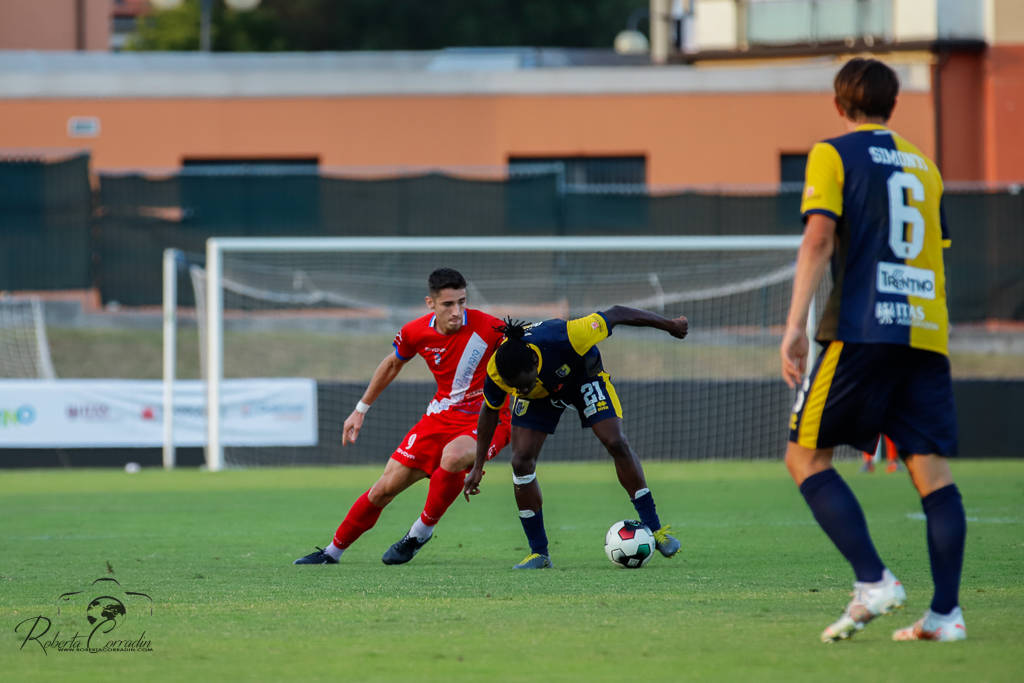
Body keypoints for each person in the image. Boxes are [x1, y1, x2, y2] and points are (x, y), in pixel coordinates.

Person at [781, 57, 966, 642]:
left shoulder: (832, 153)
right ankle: (945, 616)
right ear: (894, 105)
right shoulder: (926, 167)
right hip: (925, 328)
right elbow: (935, 251)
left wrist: (791, 328)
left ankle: (874, 581)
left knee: (805, 457)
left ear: (839, 104)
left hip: (863, 327)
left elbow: (818, 237)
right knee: (930, 473)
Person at [294, 268, 510, 566]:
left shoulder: (491, 328)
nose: (457, 311)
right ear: (430, 303)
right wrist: (360, 410)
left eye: (462, 302)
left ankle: (419, 533)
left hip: (489, 418)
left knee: (452, 456)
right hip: (440, 416)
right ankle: (332, 552)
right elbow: (392, 365)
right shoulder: (415, 332)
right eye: (448, 304)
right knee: (384, 488)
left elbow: (529, 350)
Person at [463, 306, 688, 569]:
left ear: (535, 363)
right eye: (515, 388)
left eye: (525, 383)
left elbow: (616, 313)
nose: (520, 390)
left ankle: (657, 531)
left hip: (582, 377)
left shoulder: (564, 336)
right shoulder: (497, 371)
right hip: (540, 399)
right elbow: (489, 412)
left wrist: (670, 325)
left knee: (615, 441)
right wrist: (478, 466)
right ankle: (539, 553)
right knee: (520, 462)